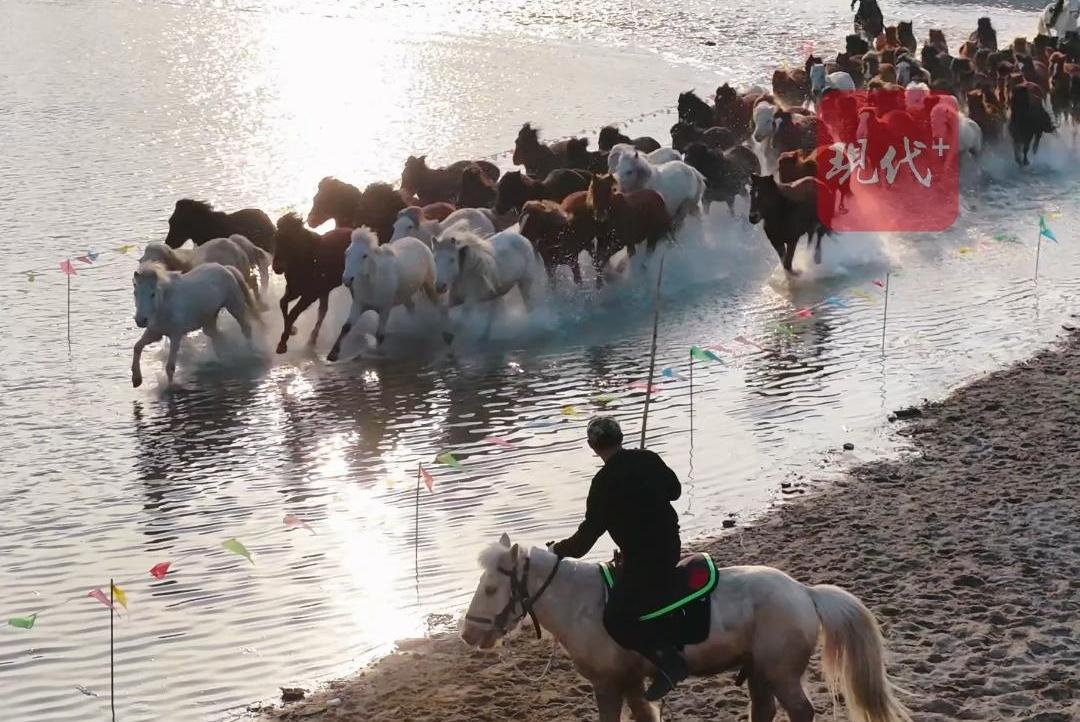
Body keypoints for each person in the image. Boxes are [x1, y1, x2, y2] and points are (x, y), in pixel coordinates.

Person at [548, 416, 686, 701]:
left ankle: (669, 661)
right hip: (670, 545)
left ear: (591, 446)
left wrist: (556, 549)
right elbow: (675, 491)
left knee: (616, 616)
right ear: (621, 437)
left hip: (645, 559)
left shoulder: (603, 483)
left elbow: (585, 541)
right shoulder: (647, 458)